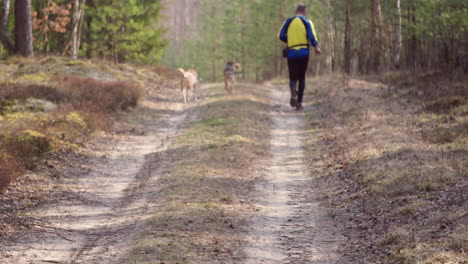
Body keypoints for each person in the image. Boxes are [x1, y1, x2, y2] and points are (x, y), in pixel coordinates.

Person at [278, 4, 321, 110]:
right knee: (301, 78)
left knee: (293, 77)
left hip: (291, 52)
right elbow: (312, 36)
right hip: (303, 53)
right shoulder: (307, 22)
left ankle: (293, 90)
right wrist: (316, 47)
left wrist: (289, 40)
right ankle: (299, 104)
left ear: (295, 11)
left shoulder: (288, 21)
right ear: (305, 12)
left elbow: (280, 35)